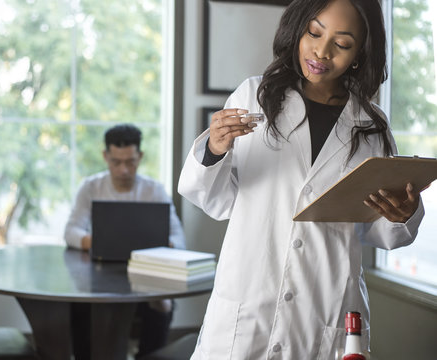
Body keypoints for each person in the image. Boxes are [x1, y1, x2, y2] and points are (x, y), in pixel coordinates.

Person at [178, 0, 425, 359]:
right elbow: (216, 200)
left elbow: (377, 232)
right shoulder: (255, 96)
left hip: (325, 306)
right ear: (298, 29)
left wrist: (402, 212)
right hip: (247, 303)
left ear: (359, 53)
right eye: (314, 32)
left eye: (341, 44)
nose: (322, 52)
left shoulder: (372, 126)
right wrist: (214, 149)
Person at [64, 123, 186, 359]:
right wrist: (100, 242)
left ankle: (150, 356)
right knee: (78, 305)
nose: (123, 170)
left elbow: (178, 238)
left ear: (139, 156)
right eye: (116, 162)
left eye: (130, 162)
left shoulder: (154, 190)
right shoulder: (90, 187)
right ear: (105, 156)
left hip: (145, 274)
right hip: (98, 276)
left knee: (162, 303)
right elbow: (70, 231)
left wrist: (158, 244)